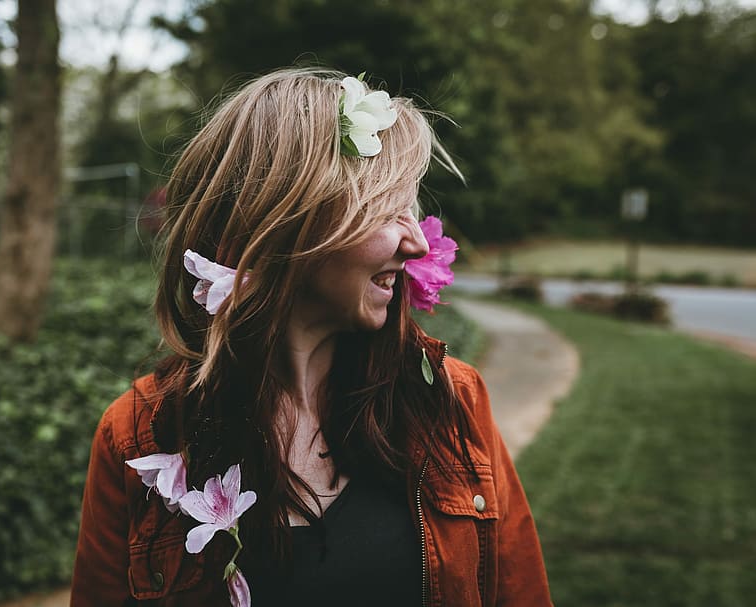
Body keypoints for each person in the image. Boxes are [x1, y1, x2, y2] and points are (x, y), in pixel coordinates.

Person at [71, 67, 552, 607]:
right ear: (283, 222)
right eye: (388, 208)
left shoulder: (449, 401)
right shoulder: (142, 435)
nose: (417, 244)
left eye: (411, 209)